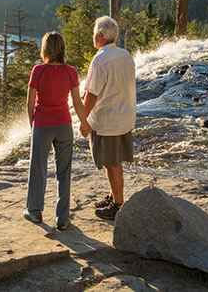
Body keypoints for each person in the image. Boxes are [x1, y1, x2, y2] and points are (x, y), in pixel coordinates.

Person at [25, 31, 91, 231]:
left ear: (45, 49)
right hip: (64, 126)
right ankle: (62, 218)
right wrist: (84, 123)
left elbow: (29, 103)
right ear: (62, 49)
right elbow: (77, 102)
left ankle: (35, 211)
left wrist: (33, 124)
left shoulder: (38, 71)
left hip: (43, 126)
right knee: (64, 172)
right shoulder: (70, 72)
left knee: (38, 169)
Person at [80, 16, 136, 221]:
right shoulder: (125, 55)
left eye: (95, 31)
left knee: (111, 163)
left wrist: (83, 120)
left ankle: (118, 204)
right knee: (115, 160)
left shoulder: (99, 60)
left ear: (101, 35)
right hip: (125, 117)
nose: (93, 35)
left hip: (107, 121)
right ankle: (114, 196)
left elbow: (91, 94)